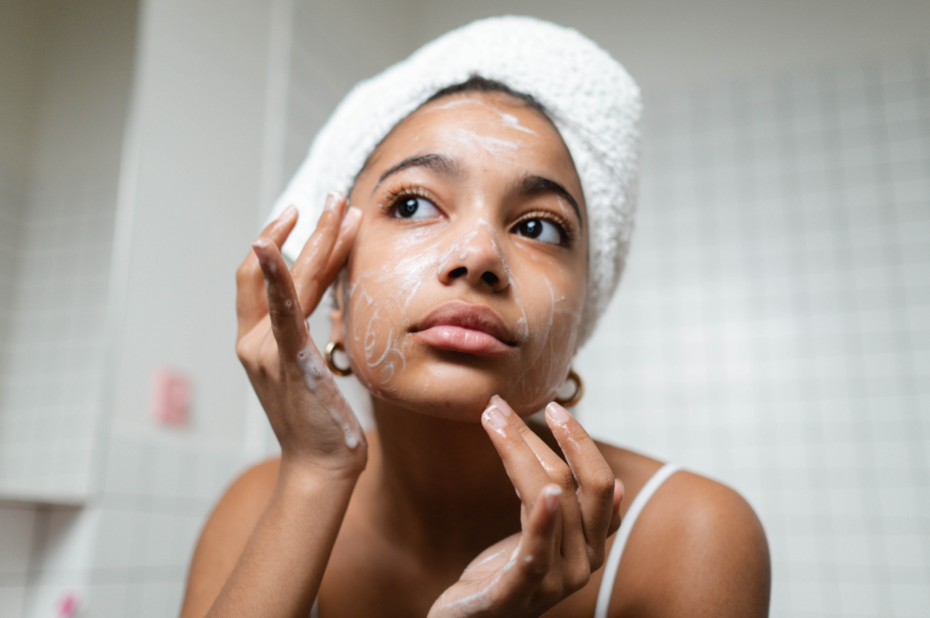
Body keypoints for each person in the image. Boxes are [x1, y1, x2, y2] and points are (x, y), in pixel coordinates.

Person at [180, 17, 770, 618]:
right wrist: (315, 473)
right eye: (413, 204)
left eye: (538, 226)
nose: (480, 254)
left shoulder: (690, 536)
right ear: (335, 295)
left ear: (580, 319)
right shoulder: (256, 509)